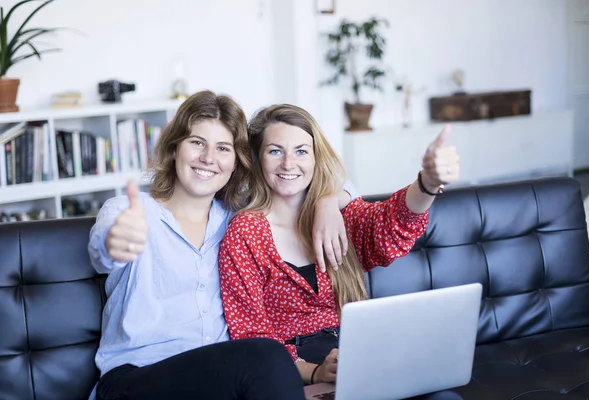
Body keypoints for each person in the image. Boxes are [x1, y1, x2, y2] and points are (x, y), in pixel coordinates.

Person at [87, 91, 355, 400]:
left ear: (236, 162)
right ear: (175, 148)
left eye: (223, 148)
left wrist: (327, 201)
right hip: (136, 378)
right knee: (268, 356)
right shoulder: (128, 211)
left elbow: (330, 183)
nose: (208, 158)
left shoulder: (238, 220)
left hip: (217, 379)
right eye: (197, 142)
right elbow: (102, 252)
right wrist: (114, 243)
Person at [218, 104, 461, 386]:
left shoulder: (340, 215)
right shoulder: (245, 232)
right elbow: (251, 333)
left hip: (358, 353)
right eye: (275, 151)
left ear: (315, 159)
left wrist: (427, 183)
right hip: (291, 368)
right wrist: (313, 371)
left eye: (301, 151)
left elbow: (391, 222)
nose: (288, 163)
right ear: (257, 159)